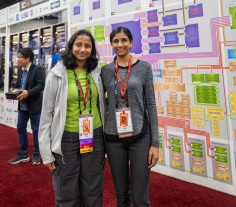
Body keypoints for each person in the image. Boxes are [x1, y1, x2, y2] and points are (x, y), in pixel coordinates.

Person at [39, 29, 106, 207]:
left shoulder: (96, 71)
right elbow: (46, 114)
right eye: (78, 45)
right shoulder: (57, 74)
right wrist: (46, 152)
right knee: (66, 190)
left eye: (87, 46)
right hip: (66, 138)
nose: (82, 49)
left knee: (93, 188)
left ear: (92, 49)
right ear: (70, 47)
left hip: (94, 135)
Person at [101, 26, 159, 207]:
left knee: (140, 197)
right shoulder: (106, 70)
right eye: (116, 41)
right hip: (113, 137)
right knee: (121, 195)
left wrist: (155, 144)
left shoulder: (144, 68)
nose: (120, 44)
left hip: (140, 136)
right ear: (111, 44)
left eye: (124, 40)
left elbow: (151, 105)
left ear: (131, 42)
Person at [8, 47, 45, 165]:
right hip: (23, 105)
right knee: (20, 128)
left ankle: (36, 154)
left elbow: (41, 85)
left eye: (19, 57)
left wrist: (28, 92)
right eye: (17, 57)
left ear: (28, 58)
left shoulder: (37, 70)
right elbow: (19, 85)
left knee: (36, 130)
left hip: (34, 105)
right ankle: (23, 154)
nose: (17, 59)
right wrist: (14, 91)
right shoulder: (20, 70)